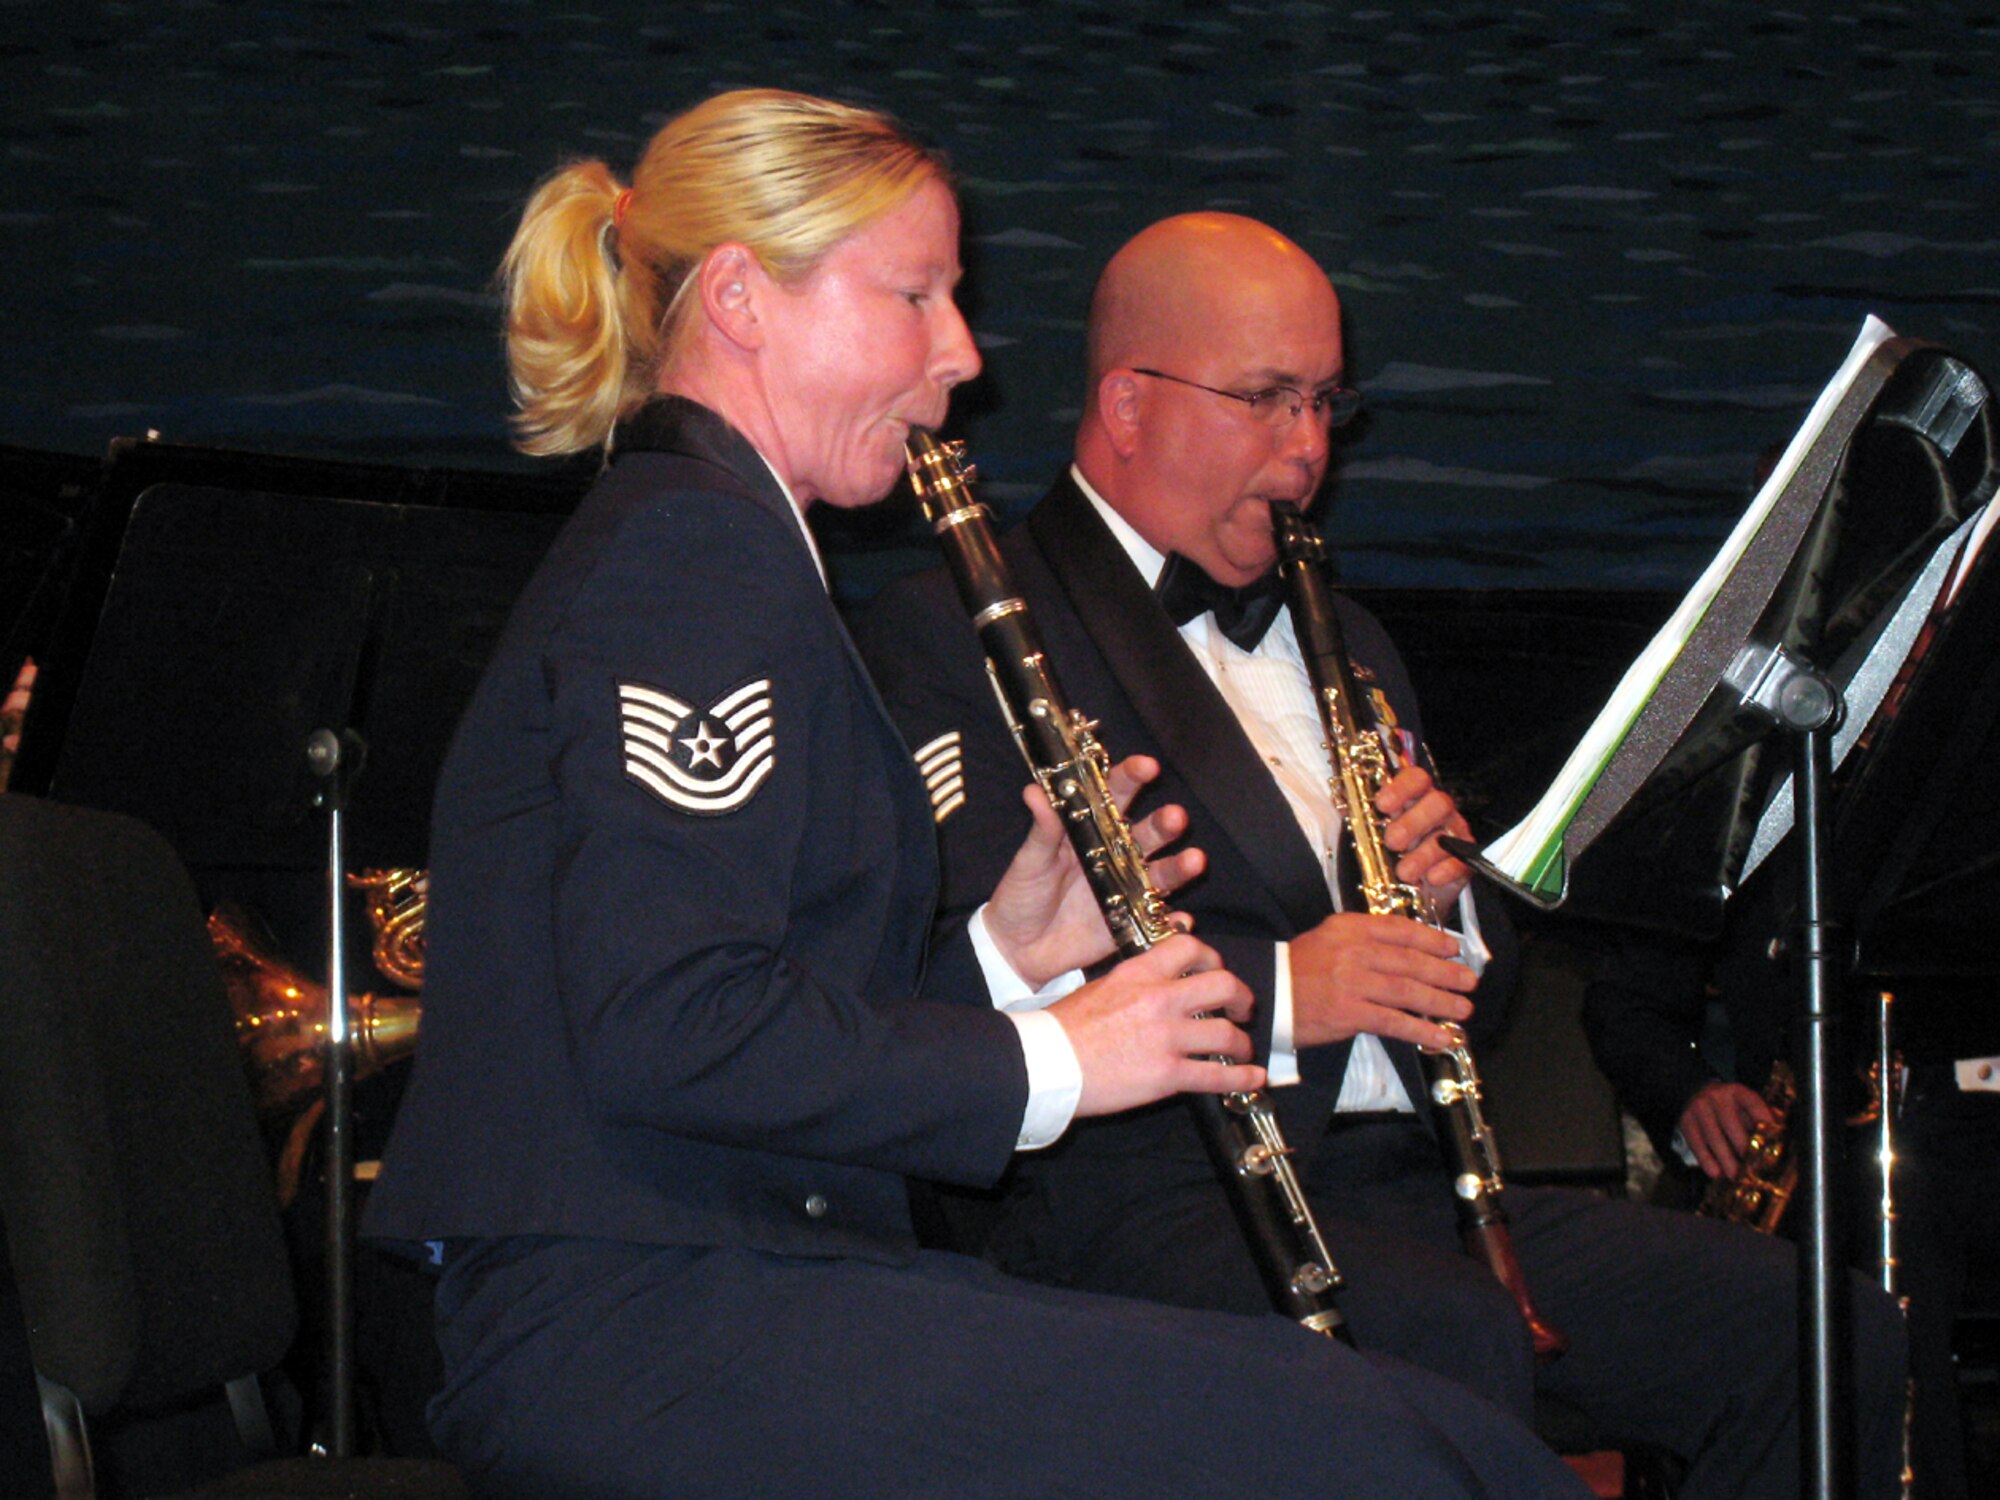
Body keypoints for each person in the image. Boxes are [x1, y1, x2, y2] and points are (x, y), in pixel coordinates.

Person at [362, 91, 1588, 1499]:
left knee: (1402, 1429)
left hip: (717, 1282)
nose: (962, 355)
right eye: (915, 296)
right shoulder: (693, 556)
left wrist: (1009, 951)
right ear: (746, 300)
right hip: (636, 1314)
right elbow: (670, 1022)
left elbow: (768, 993)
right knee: (1394, 1450)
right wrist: (1066, 1057)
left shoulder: (726, 543)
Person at [855, 210, 1910, 1499]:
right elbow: (957, 969)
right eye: (1267, 400)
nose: (1309, 452)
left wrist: (1450, 915)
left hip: (1407, 1191)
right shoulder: (958, 622)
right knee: (1448, 1335)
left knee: (1821, 1331)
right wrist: (1299, 986)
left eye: (1324, 405)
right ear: (1126, 406)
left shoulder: (1346, 633)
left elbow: (1478, 1002)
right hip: (1144, 1200)